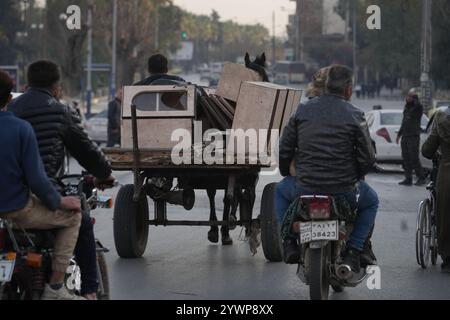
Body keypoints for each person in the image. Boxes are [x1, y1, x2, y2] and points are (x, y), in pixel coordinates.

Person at [8, 60, 115, 300]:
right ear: (57, 87)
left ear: (27, 84)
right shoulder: (61, 111)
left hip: (8, 197)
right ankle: (81, 290)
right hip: (37, 196)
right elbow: (85, 150)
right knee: (82, 220)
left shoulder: (11, 111)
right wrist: (105, 174)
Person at [277, 65, 379, 272]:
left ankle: (288, 242)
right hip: (344, 189)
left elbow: (285, 147)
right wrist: (355, 177)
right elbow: (367, 158)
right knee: (371, 202)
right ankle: (354, 250)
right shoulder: (355, 114)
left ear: (326, 86)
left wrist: (286, 172)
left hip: (304, 187)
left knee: (279, 190)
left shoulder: (302, 110)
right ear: (349, 89)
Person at [0, 69, 84, 300]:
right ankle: (55, 287)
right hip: (17, 210)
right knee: (74, 216)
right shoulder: (20, 129)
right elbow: (36, 180)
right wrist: (59, 201)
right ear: (9, 98)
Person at [422, 106, 450, 273]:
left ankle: (447, 256)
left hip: (446, 175)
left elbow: (426, 151)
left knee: (444, 214)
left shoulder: (441, 120)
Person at [396, 90, 426, 186]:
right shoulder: (407, 108)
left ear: (413, 99)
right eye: (407, 96)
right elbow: (404, 123)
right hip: (405, 136)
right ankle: (408, 178)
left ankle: (421, 177)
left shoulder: (418, 108)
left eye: (409, 97)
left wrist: (415, 97)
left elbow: (418, 105)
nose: (407, 98)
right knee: (406, 158)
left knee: (414, 158)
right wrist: (399, 135)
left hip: (413, 137)